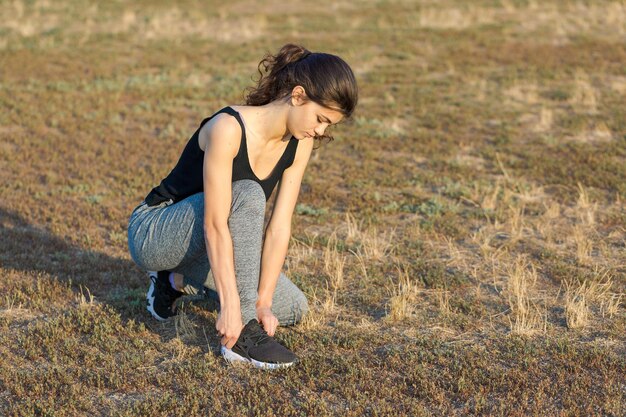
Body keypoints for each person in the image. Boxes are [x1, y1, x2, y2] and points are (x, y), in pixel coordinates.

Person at [127, 44, 358, 369]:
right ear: (298, 95)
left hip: (209, 245)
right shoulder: (228, 128)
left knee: (291, 307)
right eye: (320, 119)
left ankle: (174, 282)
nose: (320, 131)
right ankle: (239, 342)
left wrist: (262, 302)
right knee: (248, 192)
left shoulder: (301, 144)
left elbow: (279, 227)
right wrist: (234, 305)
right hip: (156, 233)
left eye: (328, 126)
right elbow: (215, 224)